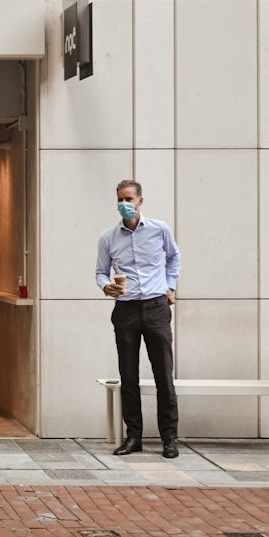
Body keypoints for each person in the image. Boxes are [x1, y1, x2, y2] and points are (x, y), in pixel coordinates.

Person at [96, 180, 180, 458]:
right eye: (120, 199)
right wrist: (106, 286)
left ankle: (169, 439)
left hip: (156, 307)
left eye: (129, 198)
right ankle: (134, 437)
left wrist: (170, 286)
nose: (124, 203)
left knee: (163, 376)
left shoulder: (159, 229)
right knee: (128, 376)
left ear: (140, 201)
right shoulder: (108, 237)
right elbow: (100, 272)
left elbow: (174, 257)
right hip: (126, 310)